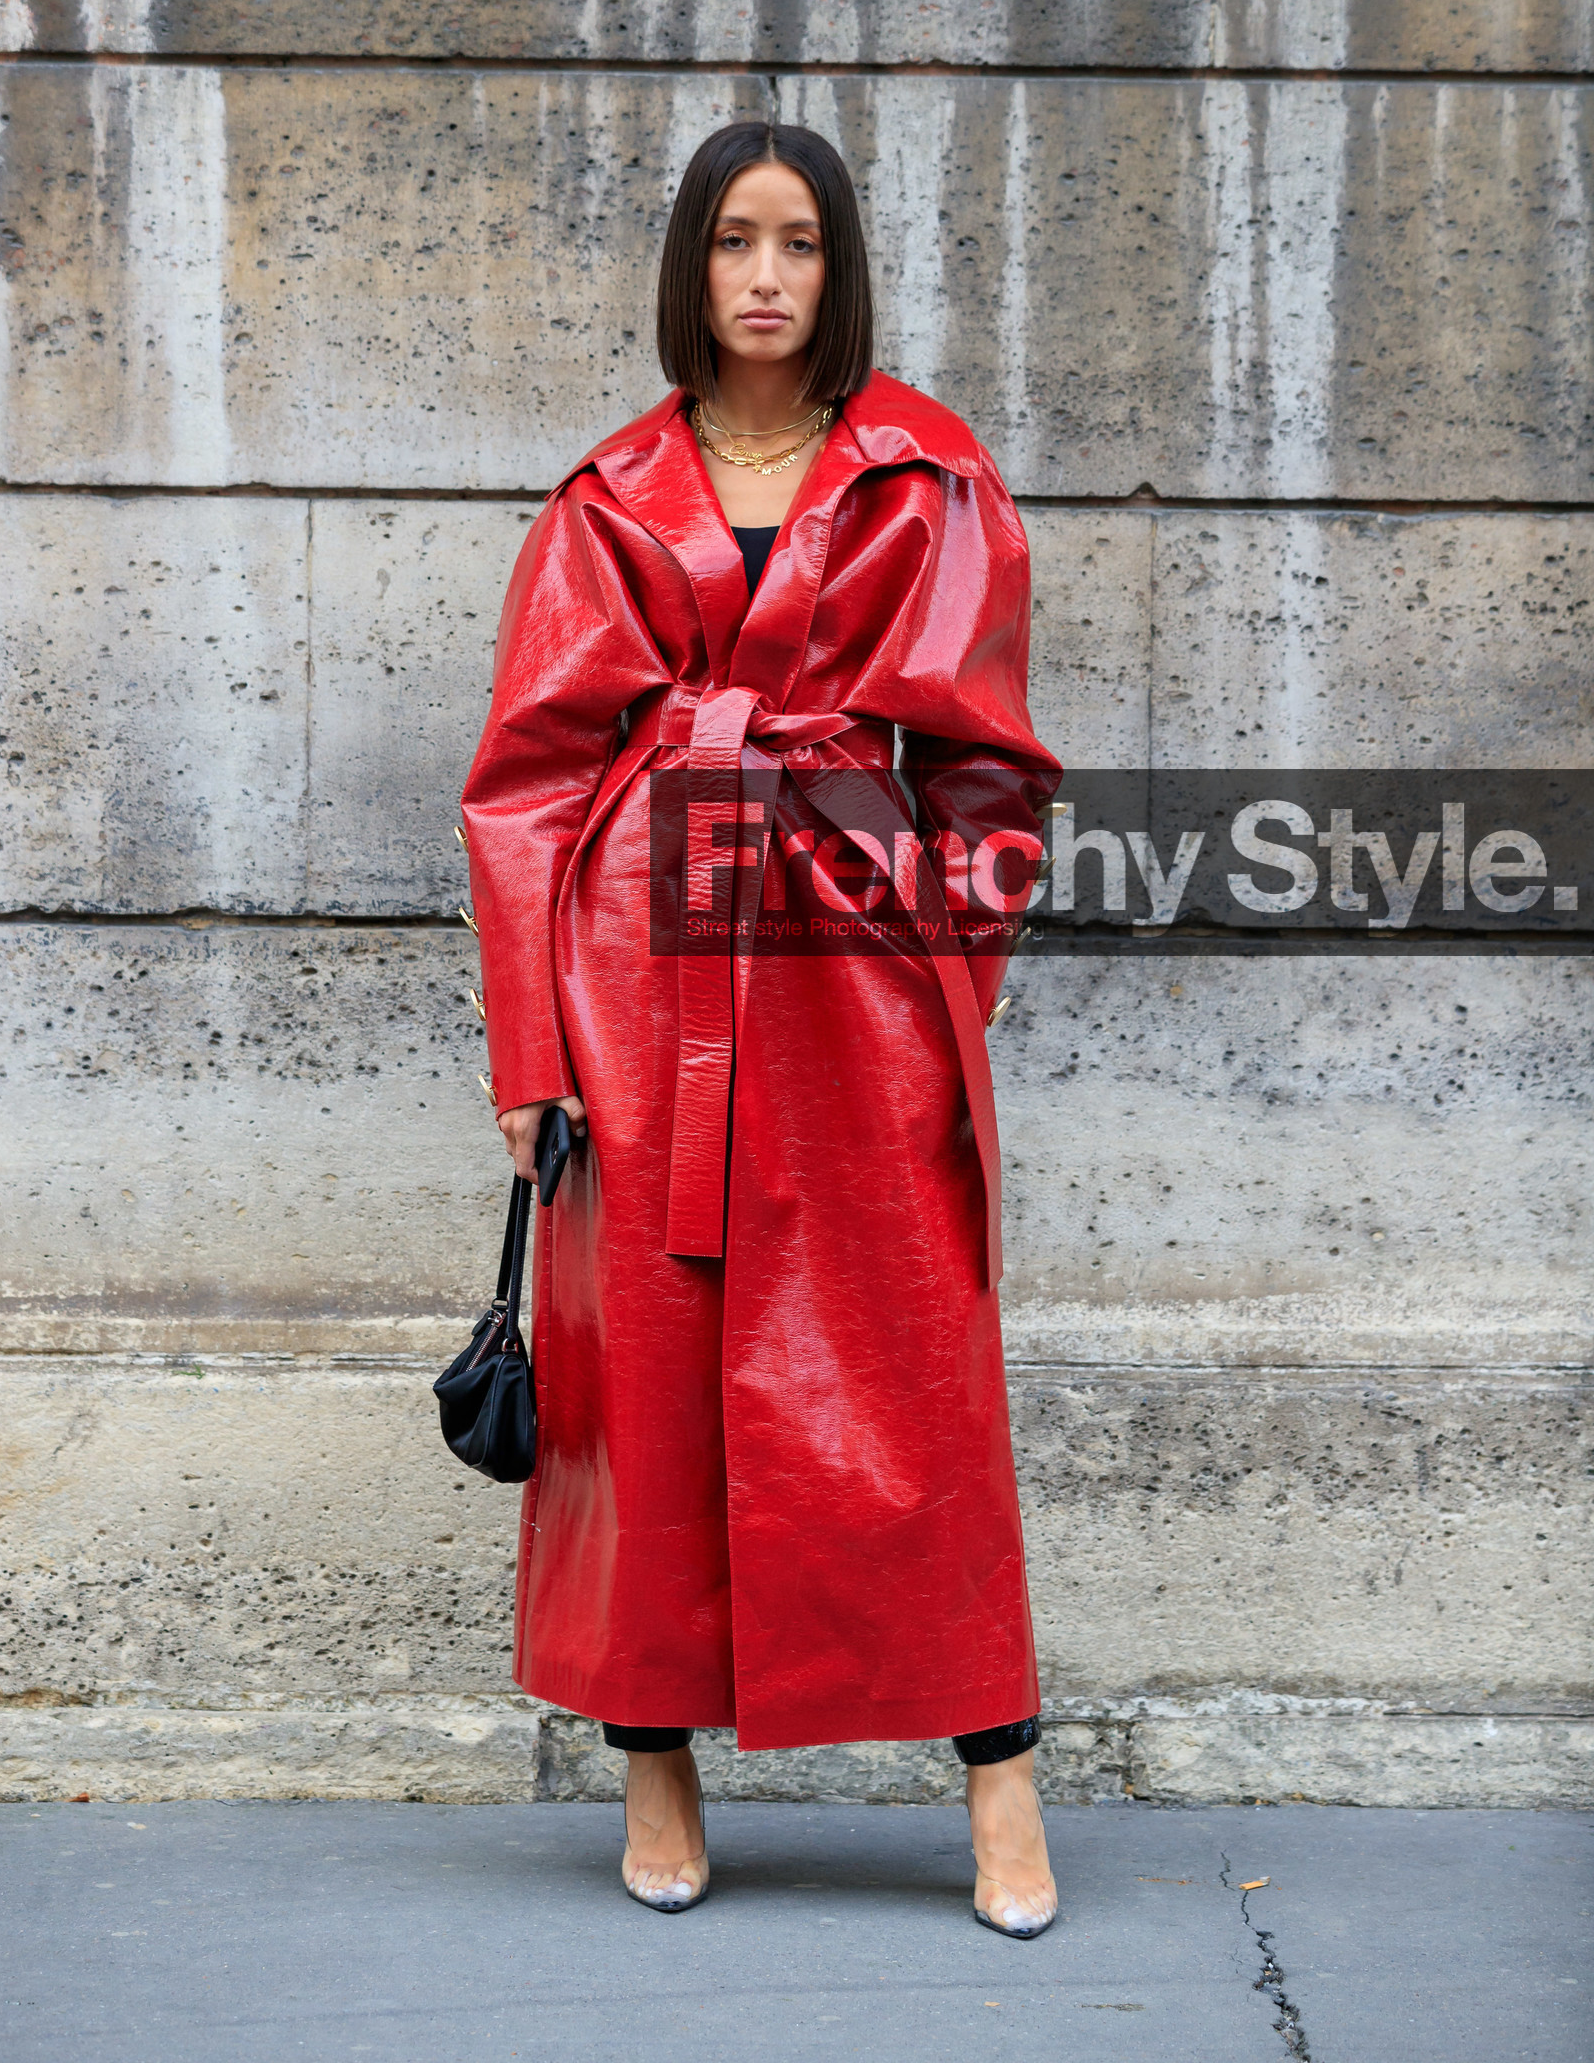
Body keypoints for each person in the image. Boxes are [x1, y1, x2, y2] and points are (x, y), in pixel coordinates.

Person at [461, 121, 1062, 1937]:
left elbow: (991, 765)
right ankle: (655, 1766)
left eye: (800, 240)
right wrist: (533, 1050)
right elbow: (523, 789)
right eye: (734, 240)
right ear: (692, 266)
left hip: (852, 983)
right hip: (637, 990)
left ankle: (1003, 1784)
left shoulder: (926, 476)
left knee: (917, 1386)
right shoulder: (608, 491)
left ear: (839, 262)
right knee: (643, 1378)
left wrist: (945, 962)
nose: (768, 276)